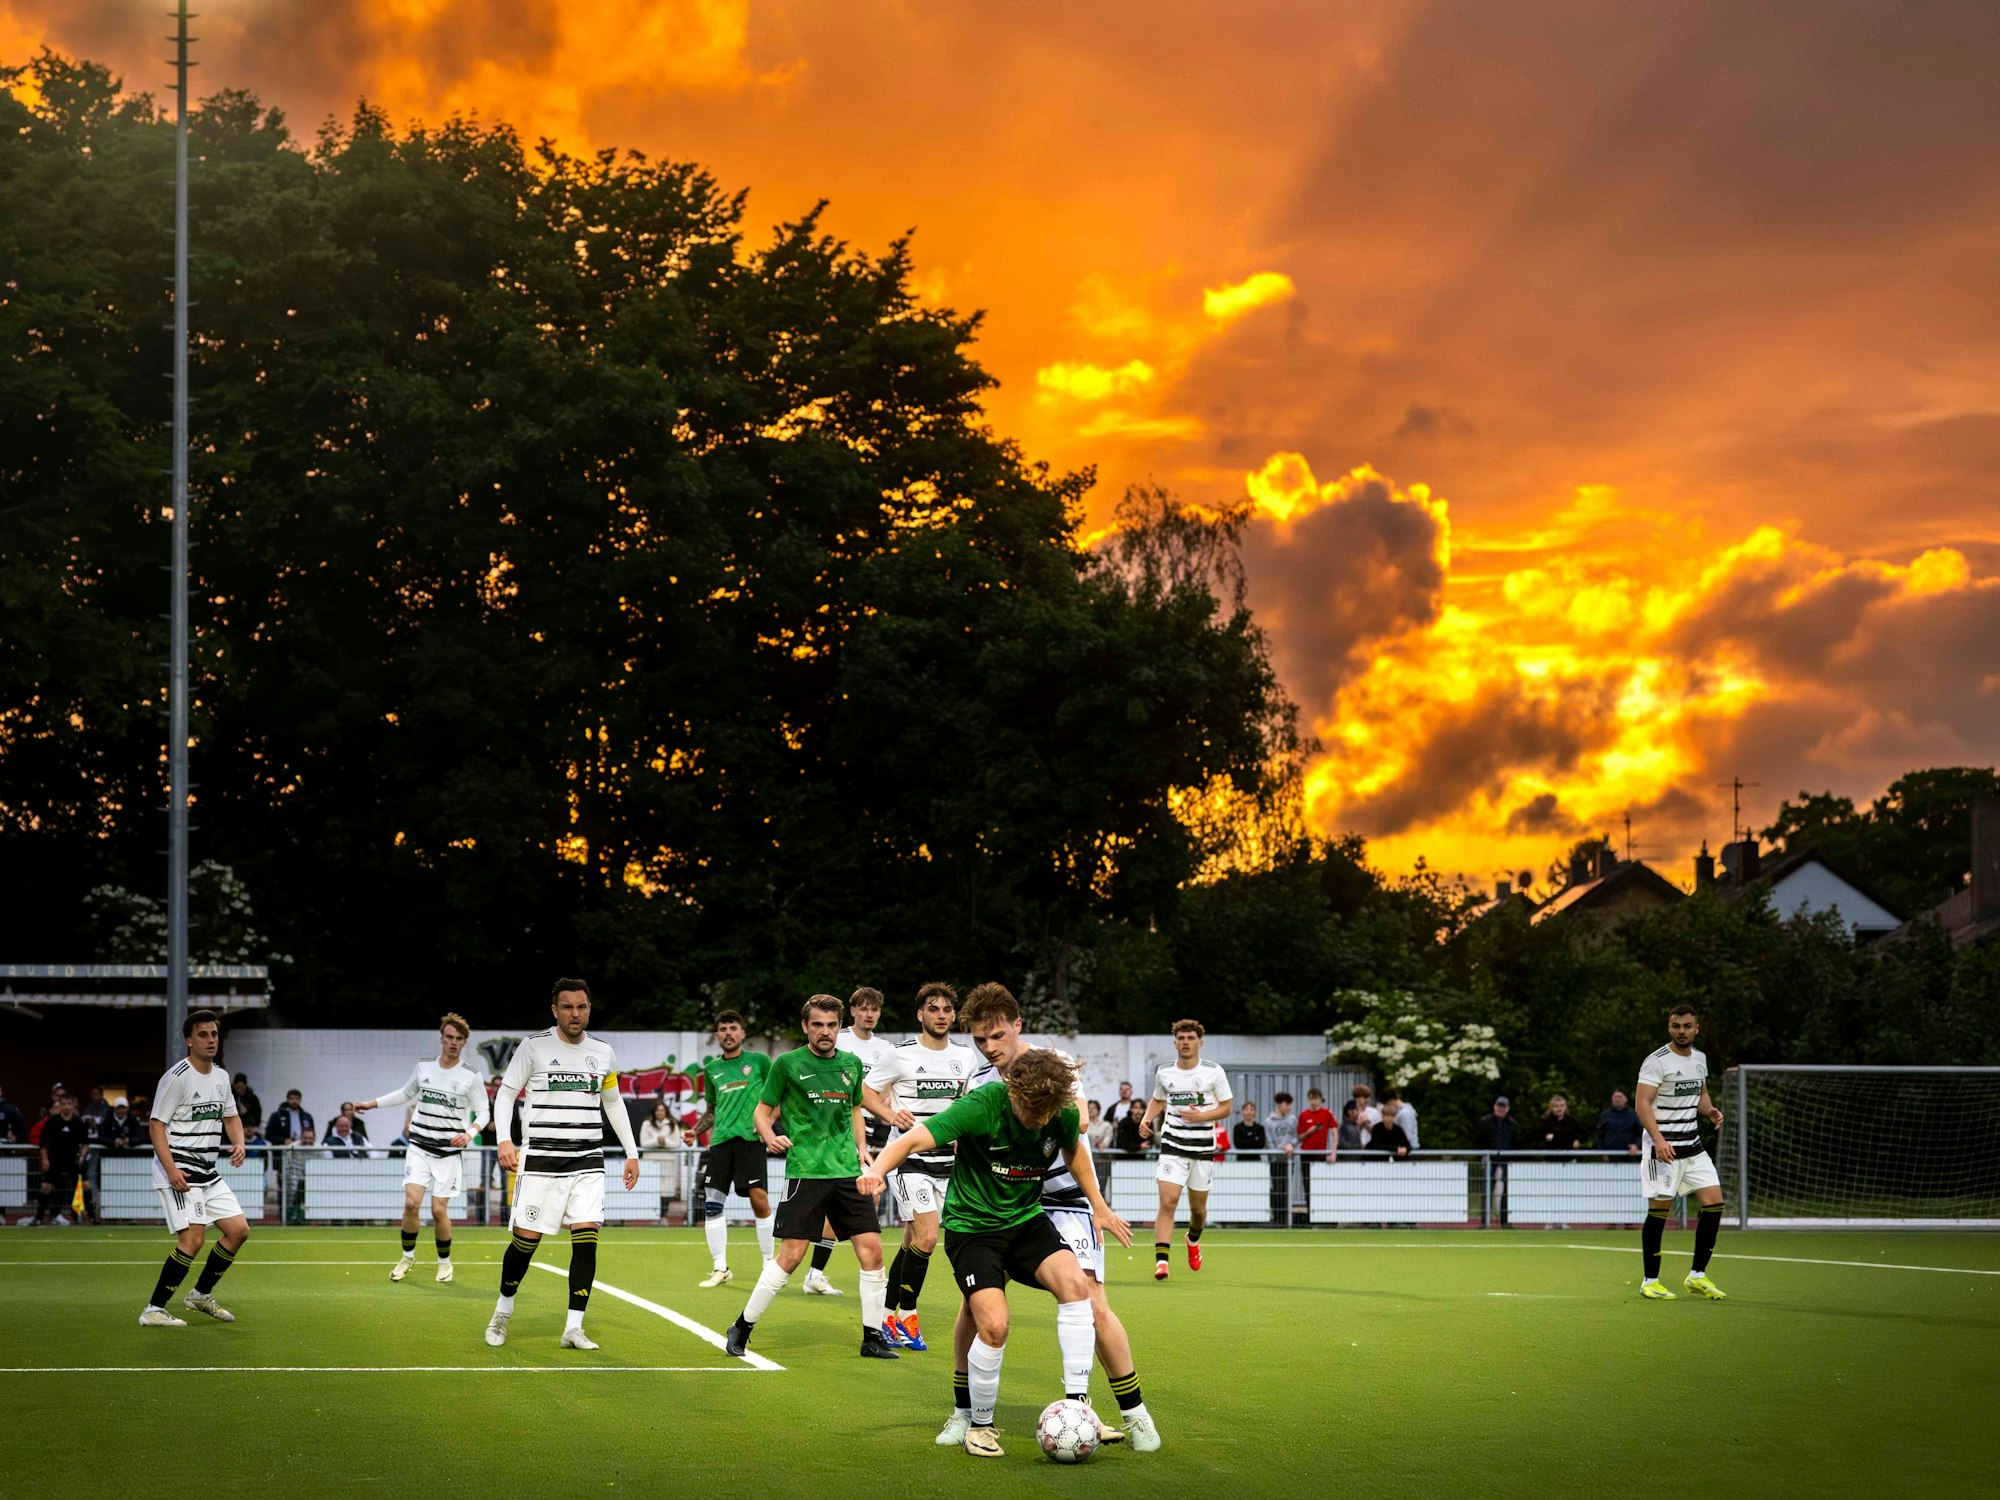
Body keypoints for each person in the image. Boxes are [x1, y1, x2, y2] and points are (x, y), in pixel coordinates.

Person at [861, 989, 1157, 1458]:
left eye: (997, 1035)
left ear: (1017, 1025)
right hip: (980, 1217)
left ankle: (1091, 1409)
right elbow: (919, 1136)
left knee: (1084, 1294)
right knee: (984, 1318)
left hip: (1039, 1207)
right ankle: (970, 1416)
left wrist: (1098, 1204)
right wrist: (876, 1170)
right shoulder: (982, 1091)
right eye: (980, 1038)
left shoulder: (1053, 1078)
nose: (989, 1045)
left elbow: (1074, 1140)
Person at [722, 994, 897, 1361]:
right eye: (817, 1025)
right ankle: (742, 1326)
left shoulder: (850, 1064)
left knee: (873, 1251)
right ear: (805, 1027)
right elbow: (761, 1112)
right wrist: (769, 1137)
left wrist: (863, 1149)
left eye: (831, 1025)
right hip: (806, 1172)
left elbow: (853, 1110)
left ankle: (873, 1337)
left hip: (848, 1172)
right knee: (792, 1255)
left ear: (839, 1027)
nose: (825, 1032)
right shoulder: (787, 1064)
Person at [485, 978, 641, 1350]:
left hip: (587, 1162)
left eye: (582, 1006)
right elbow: (506, 1095)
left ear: (589, 1008)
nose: (576, 1013)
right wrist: (503, 1140)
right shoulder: (533, 1047)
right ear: (555, 1010)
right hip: (540, 1162)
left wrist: (632, 1152)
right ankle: (502, 1312)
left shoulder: (603, 1051)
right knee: (525, 1244)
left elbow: (614, 1103)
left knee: (586, 1242)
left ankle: (573, 1328)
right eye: (568, 1007)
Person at [862, 981, 979, 1350]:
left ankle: (885, 1315)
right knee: (928, 1236)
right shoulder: (900, 1054)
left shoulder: (966, 1056)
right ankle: (907, 1318)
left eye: (947, 1010)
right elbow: (864, 1091)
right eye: (933, 1009)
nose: (941, 1015)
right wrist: (889, 1114)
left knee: (914, 1241)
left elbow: (969, 1103)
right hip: (908, 1159)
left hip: (950, 1162)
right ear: (920, 1014)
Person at [353, 1011, 490, 1284]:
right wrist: (372, 1103)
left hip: (449, 1153)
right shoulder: (424, 1067)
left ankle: (444, 1262)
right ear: (441, 1038)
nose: (452, 1042)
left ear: (464, 1043)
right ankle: (407, 1257)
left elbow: (484, 1112)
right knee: (411, 1202)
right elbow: (405, 1093)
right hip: (419, 1146)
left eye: (458, 1039)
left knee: (439, 1211)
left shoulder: (471, 1075)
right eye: (448, 1037)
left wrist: (470, 1132)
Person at [139, 1010, 251, 1328]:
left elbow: (230, 1116)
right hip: (179, 1170)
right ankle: (153, 1308)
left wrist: (239, 1142)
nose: (211, 1040)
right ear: (190, 1040)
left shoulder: (221, 1077)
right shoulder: (177, 1077)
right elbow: (156, 1126)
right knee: (193, 1240)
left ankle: (200, 1294)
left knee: (238, 1230)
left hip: (207, 1170)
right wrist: (171, 1168)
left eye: (214, 1034)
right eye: (203, 1035)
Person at [804, 986, 896, 1295]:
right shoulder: (837, 1039)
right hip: (834, 1129)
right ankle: (816, 1269)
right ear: (853, 1011)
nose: (869, 1013)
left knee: (865, 1198)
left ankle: (817, 1271)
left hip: (865, 1131)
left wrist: (889, 1111)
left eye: (875, 1009)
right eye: (863, 1008)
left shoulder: (885, 1048)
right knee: (858, 1199)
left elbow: (879, 1092)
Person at [1636, 1005, 1728, 1301]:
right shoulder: (1656, 1061)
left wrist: (1710, 1111)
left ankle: (1697, 1276)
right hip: (1663, 1148)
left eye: (1687, 1026)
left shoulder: (1700, 1059)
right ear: (1669, 1027)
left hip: (1693, 1145)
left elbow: (1700, 1094)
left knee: (1714, 1204)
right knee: (1659, 1211)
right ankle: (1650, 1280)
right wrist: (1659, 1139)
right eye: (1676, 1026)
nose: (1682, 1031)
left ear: (1696, 1028)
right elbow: (1642, 1105)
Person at [1138, 1019, 1232, 1280]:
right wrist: (1146, 1119)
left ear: (1200, 1042)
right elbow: (1158, 1099)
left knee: (1198, 1211)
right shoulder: (1165, 1072)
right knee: (1168, 1201)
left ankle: (1192, 1239)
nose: (1185, 1043)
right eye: (1181, 1038)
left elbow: (1227, 1107)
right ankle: (1162, 1261)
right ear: (1175, 1042)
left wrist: (1201, 1117)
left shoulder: (1214, 1072)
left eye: (1191, 1038)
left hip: (1202, 1148)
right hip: (1173, 1146)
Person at [692, 1009, 775, 1288]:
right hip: (720, 1143)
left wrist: (766, 1123)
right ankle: (720, 1268)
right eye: (723, 1029)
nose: (728, 1033)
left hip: (750, 1142)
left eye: (733, 1028)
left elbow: (778, 1096)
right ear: (717, 1036)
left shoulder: (760, 1062)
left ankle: (768, 1265)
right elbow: (711, 1111)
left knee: (759, 1199)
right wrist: (695, 1131)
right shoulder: (712, 1069)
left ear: (742, 1033)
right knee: (712, 1202)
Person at [37, 1091, 88, 1224]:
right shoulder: (52, 1121)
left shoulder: (78, 1122)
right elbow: (42, 1143)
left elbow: (85, 1143)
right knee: (45, 1187)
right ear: (60, 1106)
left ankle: (91, 1217)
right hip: (55, 1160)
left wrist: (82, 1156)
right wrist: (45, 1159)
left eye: (69, 1104)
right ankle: (38, 1218)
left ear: (73, 1105)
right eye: (63, 1104)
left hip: (73, 1161)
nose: (66, 1106)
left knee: (85, 1185)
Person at [641, 1101, 683, 1218]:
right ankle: (651, 1216)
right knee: (651, 1189)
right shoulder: (647, 1124)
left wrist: (664, 1142)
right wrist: (656, 1141)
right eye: (657, 1110)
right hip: (651, 1162)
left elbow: (676, 1143)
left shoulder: (672, 1124)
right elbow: (643, 1143)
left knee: (666, 1190)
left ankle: (663, 1216)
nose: (660, 1112)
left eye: (662, 1110)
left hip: (668, 1162)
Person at [1266, 1092, 1298, 1223]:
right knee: (1276, 1187)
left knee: (1286, 1187)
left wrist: (1291, 1145)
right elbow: (1268, 1141)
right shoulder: (1269, 1122)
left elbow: (1296, 1136)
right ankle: (1276, 1216)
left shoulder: (1292, 1120)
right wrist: (1277, 1153)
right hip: (1275, 1160)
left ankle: (1286, 1217)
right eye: (1286, 1104)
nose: (1289, 1107)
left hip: (1289, 1160)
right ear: (1279, 1104)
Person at [1596, 1089, 1644, 1156]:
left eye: (1620, 1097)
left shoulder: (1633, 1115)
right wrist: (1602, 1153)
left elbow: (1641, 1134)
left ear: (1626, 1099)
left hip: (1629, 1155)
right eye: (1615, 1097)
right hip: (1609, 1156)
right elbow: (1599, 1136)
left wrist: (1636, 1146)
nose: (1617, 1100)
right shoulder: (1605, 1115)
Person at [1296, 1088, 1335, 1156]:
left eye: (1316, 1099)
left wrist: (1333, 1151)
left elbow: (1334, 1132)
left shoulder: (1326, 1113)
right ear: (1308, 1099)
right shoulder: (1303, 1115)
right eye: (1311, 1099)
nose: (1313, 1102)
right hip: (1306, 1153)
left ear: (1320, 1100)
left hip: (1322, 1153)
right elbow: (1299, 1138)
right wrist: (1311, 1131)